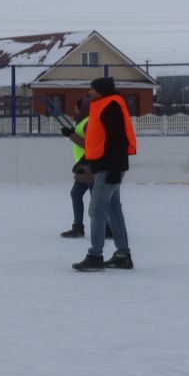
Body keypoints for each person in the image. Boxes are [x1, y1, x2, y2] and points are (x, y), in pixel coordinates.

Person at [73, 76, 136, 272]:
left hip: (110, 168)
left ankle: (95, 255)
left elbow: (118, 140)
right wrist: (84, 161)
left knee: (96, 209)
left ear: (101, 90)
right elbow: (98, 142)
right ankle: (123, 254)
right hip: (105, 166)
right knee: (112, 209)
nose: (89, 93)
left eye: (92, 89)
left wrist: (116, 170)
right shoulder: (102, 106)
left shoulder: (111, 107)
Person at [59, 96, 92, 238]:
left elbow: (89, 145)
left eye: (76, 109)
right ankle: (78, 227)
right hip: (82, 167)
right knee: (76, 194)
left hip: (91, 167)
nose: (74, 112)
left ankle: (107, 228)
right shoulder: (82, 123)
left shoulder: (88, 123)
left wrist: (71, 135)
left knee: (96, 199)